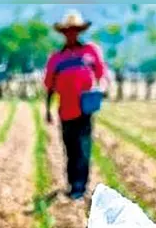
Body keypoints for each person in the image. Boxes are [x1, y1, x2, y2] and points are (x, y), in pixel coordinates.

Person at [43, 10, 108, 200]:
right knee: (69, 147)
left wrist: (101, 88)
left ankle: (80, 186)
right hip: (65, 110)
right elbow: (49, 86)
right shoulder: (56, 58)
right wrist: (47, 109)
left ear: (79, 31)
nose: (71, 33)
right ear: (64, 33)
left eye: (75, 30)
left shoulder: (90, 51)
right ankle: (72, 184)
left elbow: (101, 74)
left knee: (83, 147)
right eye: (68, 31)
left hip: (85, 108)